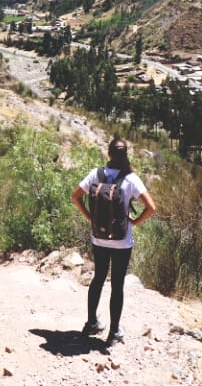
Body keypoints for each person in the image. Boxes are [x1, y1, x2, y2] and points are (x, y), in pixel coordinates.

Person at [71, 138, 156, 345]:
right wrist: (134, 222)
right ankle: (114, 331)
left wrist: (90, 218)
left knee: (98, 278)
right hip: (121, 241)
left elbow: (76, 196)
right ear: (126, 155)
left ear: (108, 154)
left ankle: (91, 323)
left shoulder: (96, 174)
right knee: (117, 285)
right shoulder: (131, 178)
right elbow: (151, 207)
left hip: (99, 238)